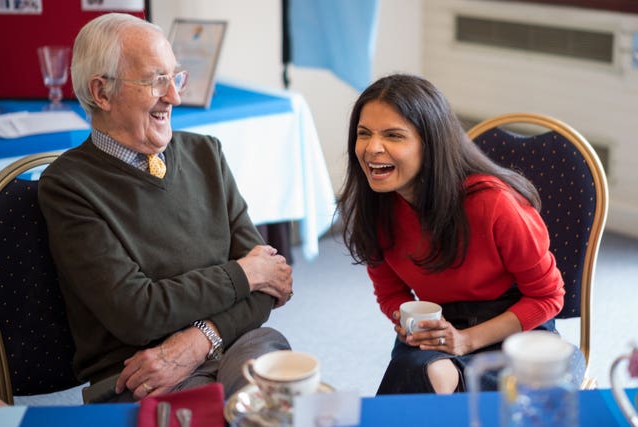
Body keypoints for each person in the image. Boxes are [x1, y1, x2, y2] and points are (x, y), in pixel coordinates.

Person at [38, 13, 294, 403]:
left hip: (236, 345)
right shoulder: (68, 186)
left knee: (273, 396)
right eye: (155, 80)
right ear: (102, 93)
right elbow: (138, 314)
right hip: (143, 370)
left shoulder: (205, 152)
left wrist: (199, 339)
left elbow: (268, 283)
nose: (174, 96)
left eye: (175, 76)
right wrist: (243, 274)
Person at [336, 73, 583, 394]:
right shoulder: (375, 207)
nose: (372, 148)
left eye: (394, 136)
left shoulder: (495, 203)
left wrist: (466, 341)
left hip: (515, 328)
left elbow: (548, 297)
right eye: (363, 133)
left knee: (496, 397)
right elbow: (389, 293)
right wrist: (409, 320)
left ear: (431, 144)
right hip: (441, 326)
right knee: (426, 377)